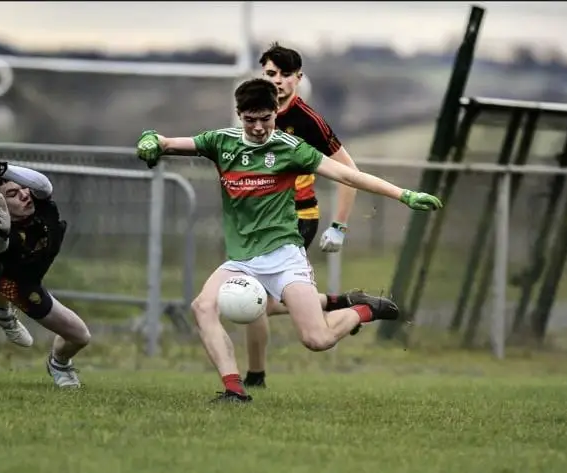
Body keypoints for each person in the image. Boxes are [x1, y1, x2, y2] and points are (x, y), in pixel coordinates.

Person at [135, 78, 442, 402]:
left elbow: (348, 175)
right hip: (241, 260)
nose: (257, 127)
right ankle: (234, 390)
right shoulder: (220, 142)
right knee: (203, 307)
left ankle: (363, 309)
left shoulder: (289, 148)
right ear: (239, 115)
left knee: (317, 339)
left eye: (265, 119)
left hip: (284, 256)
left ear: (275, 114)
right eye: (249, 119)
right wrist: (149, 141)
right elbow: (165, 142)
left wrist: (404, 194)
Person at [242, 42, 361, 389]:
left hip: (296, 219)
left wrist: (339, 226)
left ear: (298, 79)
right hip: (257, 221)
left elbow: (349, 173)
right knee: (254, 301)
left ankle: (255, 376)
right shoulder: (253, 112)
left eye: (284, 75)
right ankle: (334, 304)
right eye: (270, 74)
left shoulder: (308, 121)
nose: (277, 81)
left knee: (251, 298)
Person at [0, 137, 92, 388]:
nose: (25, 195)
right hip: (16, 284)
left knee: (10, 278)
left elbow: (44, 185)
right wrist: (4, 231)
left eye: (23, 188)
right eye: (13, 194)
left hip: (24, 271)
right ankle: (58, 363)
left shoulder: (37, 200)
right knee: (81, 335)